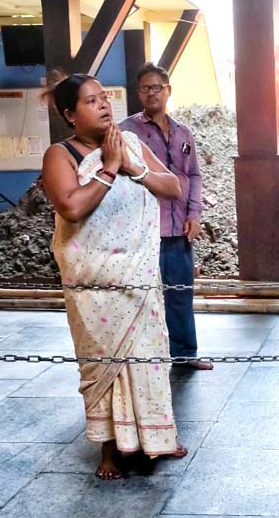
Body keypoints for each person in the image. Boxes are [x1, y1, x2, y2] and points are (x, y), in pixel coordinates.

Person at [41, 74, 186, 480]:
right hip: (94, 284)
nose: (104, 105)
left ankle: (156, 438)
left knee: (149, 360)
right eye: (91, 101)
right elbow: (71, 207)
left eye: (105, 98)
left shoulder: (131, 144)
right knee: (102, 364)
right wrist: (108, 169)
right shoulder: (61, 155)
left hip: (137, 279)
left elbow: (172, 187)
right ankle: (109, 451)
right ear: (70, 114)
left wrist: (133, 168)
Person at [119, 63, 212, 371]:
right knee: (141, 298)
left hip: (179, 230)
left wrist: (194, 214)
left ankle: (185, 355)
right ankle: (144, 360)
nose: (151, 93)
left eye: (156, 87)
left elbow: (194, 175)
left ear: (168, 90)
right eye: (145, 88)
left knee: (180, 294)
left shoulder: (184, 132)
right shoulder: (127, 131)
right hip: (144, 230)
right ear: (138, 93)